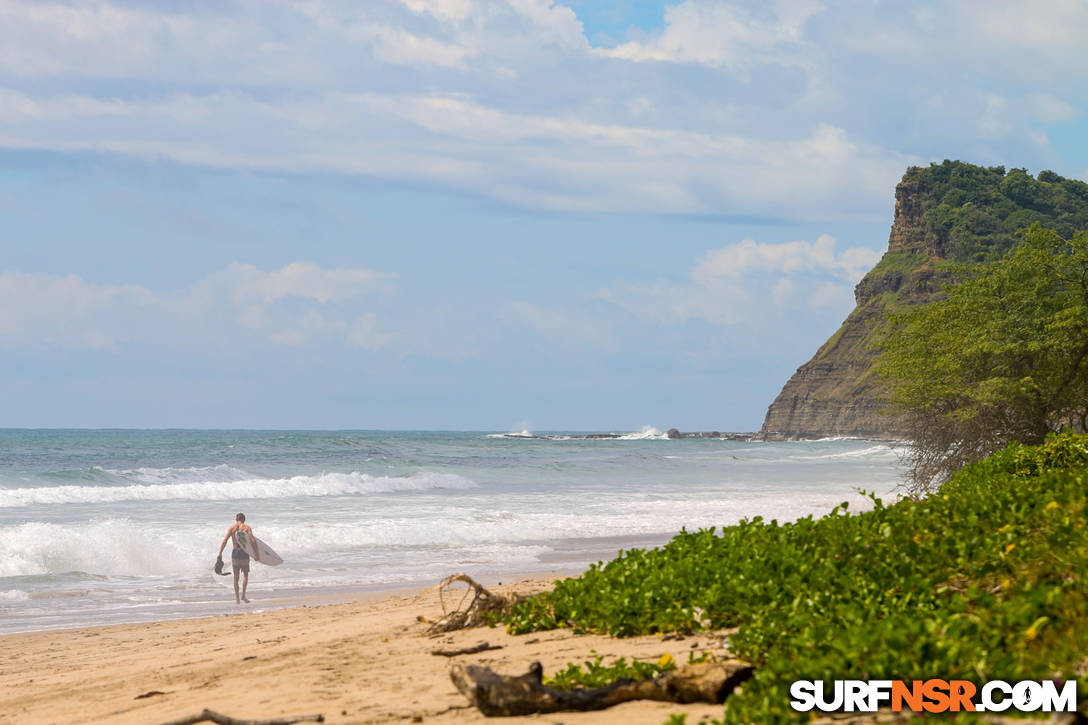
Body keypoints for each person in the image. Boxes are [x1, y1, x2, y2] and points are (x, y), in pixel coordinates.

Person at [218, 512, 260, 604]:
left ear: (236, 520)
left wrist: (220, 553)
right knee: (245, 575)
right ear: (244, 520)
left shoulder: (232, 528)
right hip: (244, 553)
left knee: (236, 577)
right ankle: (243, 596)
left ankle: (237, 599)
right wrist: (256, 554)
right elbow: (253, 541)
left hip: (235, 553)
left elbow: (225, 540)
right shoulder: (247, 528)